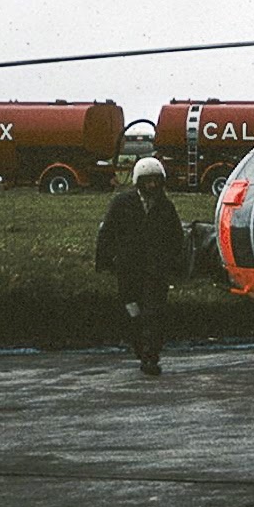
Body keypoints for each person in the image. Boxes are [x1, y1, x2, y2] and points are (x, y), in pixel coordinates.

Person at [95, 157, 185, 376]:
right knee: (132, 311)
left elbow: (176, 238)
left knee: (154, 313)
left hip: (156, 271)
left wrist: (175, 265)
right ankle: (140, 347)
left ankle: (151, 356)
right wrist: (104, 261)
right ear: (138, 182)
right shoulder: (121, 203)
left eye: (156, 181)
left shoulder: (166, 207)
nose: (152, 186)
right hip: (128, 270)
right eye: (147, 181)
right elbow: (107, 234)